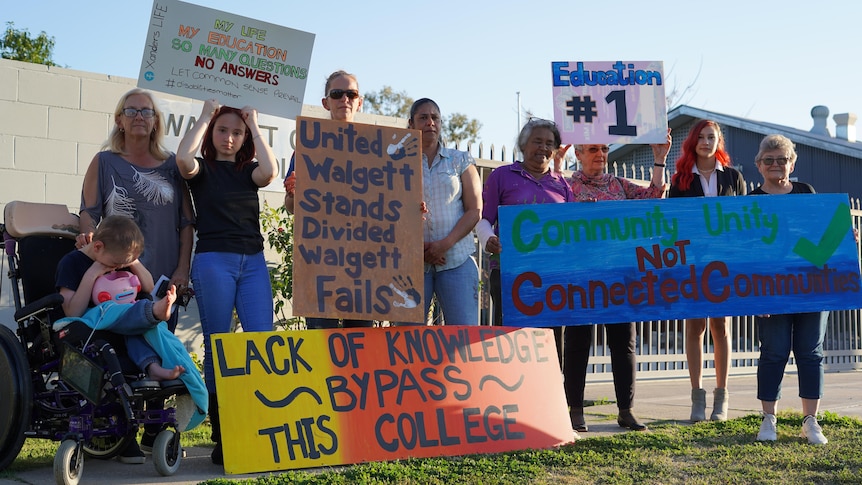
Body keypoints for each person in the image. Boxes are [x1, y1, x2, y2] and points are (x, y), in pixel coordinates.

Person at [176, 99, 278, 465]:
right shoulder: (201, 170)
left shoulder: (248, 170)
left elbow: (270, 171)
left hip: (252, 263)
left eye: (236, 132)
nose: (229, 138)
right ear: (212, 133)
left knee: (261, 344)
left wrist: (253, 121)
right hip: (213, 262)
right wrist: (206, 115)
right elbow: (183, 160)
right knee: (219, 347)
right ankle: (224, 434)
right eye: (223, 130)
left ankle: (257, 426)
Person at [555, 131, 671, 433]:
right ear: (578, 154)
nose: (600, 154)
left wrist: (659, 159)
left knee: (624, 344)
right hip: (581, 277)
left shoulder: (619, 185)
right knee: (578, 343)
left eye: (604, 148)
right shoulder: (568, 185)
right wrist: (556, 162)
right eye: (592, 149)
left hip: (619, 277)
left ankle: (625, 410)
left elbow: (653, 197)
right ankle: (575, 409)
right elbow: (550, 203)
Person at [55, 215, 184, 464]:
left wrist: (132, 262)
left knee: (141, 316)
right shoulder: (72, 263)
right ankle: (155, 313)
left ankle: (155, 367)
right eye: (115, 263)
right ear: (98, 247)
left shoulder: (119, 261)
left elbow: (146, 284)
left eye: (122, 264)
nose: (116, 269)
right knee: (138, 315)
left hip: (123, 331)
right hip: (91, 333)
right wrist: (92, 273)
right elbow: (72, 311)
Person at [77, 87, 194, 334]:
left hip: (165, 277)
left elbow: (186, 223)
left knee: (163, 347)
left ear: (155, 121)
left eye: (146, 111)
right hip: (119, 275)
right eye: (131, 111)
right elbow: (89, 211)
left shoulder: (173, 164)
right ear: (120, 120)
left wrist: (183, 269)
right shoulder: (103, 162)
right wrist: (88, 234)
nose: (139, 116)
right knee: (127, 355)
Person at [749, 134, 828, 444]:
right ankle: (769, 420)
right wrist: (754, 294)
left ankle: (811, 421)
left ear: (792, 163)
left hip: (810, 287)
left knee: (811, 352)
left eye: (781, 159)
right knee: (773, 352)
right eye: (769, 160)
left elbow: (822, 237)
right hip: (770, 291)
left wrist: (845, 242)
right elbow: (746, 251)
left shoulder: (807, 192)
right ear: (758, 165)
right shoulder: (749, 201)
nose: (775, 165)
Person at [283, 70, 375, 329]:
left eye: (351, 94)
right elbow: (291, 208)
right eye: (337, 94)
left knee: (361, 342)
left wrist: (410, 209)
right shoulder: (308, 146)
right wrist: (294, 192)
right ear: (326, 102)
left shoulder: (376, 149)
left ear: (360, 101)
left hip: (364, 263)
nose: (344, 99)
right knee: (322, 340)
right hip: (321, 261)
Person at [669, 120, 746, 422]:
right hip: (692, 261)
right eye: (700, 137)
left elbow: (742, 220)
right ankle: (697, 398)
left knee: (721, 327)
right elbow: (671, 224)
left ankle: (722, 398)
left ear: (718, 142)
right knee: (695, 327)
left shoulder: (733, 178)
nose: (705, 141)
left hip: (724, 262)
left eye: (711, 137)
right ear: (692, 142)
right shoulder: (680, 181)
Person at [397, 98, 482, 326]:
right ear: (411, 124)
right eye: (423, 118)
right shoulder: (395, 164)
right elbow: (386, 211)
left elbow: (475, 210)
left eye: (435, 118)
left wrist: (443, 244)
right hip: (411, 264)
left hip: (456, 261)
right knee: (407, 341)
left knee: (463, 336)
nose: (430, 123)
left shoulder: (460, 161)